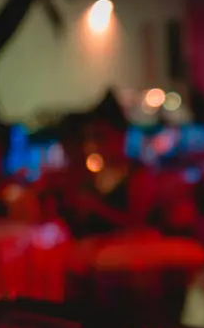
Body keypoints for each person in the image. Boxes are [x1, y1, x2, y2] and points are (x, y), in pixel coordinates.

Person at [36, 96, 159, 236]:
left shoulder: (138, 175)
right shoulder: (91, 172)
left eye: (101, 137)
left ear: (121, 136)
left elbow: (139, 226)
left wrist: (96, 207)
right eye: (91, 137)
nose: (94, 145)